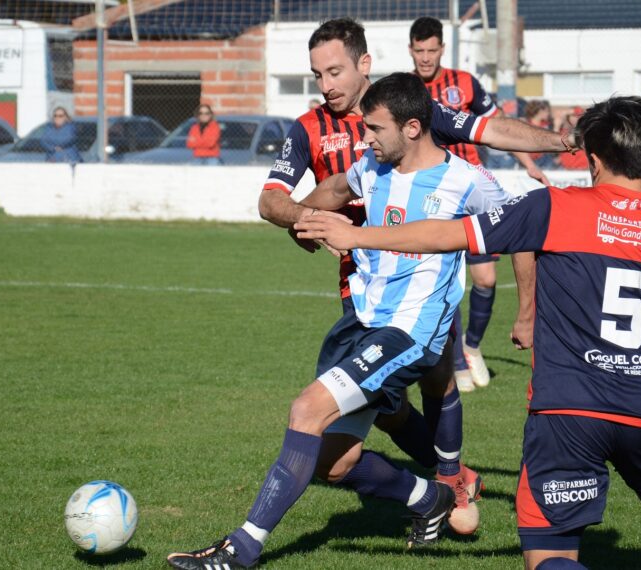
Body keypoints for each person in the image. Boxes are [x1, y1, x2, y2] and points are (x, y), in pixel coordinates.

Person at [296, 95, 641, 570]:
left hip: (568, 414)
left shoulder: (554, 209)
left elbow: (446, 234)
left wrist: (358, 236)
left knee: (547, 552)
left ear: (591, 160)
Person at [166, 72, 518, 569]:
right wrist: (304, 219)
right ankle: (430, 498)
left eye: (374, 128)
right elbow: (334, 186)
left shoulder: (468, 180)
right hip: (364, 322)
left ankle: (239, 550)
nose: (364, 137)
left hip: (409, 334)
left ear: (412, 128)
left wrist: (528, 311)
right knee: (333, 463)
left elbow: (525, 231)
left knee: (306, 410)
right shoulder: (373, 164)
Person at [256, 17, 573, 535]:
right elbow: (272, 200)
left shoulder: (409, 110)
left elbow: (489, 130)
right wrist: (306, 219)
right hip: (360, 284)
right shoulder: (309, 127)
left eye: (334, 71)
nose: (326, 84)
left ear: (364, 64)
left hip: (424, 283)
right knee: (386, 405)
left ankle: (448, 482)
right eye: (317, 75)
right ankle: (450, 484)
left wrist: (562, 140)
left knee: (435, 377)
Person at [408, 15, 545, 393]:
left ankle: (471, 346)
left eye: (431, 50)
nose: (425, 57)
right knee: (443, 280)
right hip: (433, 195)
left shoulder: (464, 83)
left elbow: (497, 127)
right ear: (411, 51)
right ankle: (453, 360)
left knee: (485, 279)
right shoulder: (405, 89)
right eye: (419, 51)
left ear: (442, 49)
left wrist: (529, 164)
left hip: (473, 189)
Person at [524, 99, 559, 169]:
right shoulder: (526, 126)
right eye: (546, 111)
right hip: (531, 159)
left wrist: (556, 127)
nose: (548, 113)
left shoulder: (547, 125)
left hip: (545, 158)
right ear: (540, 111)